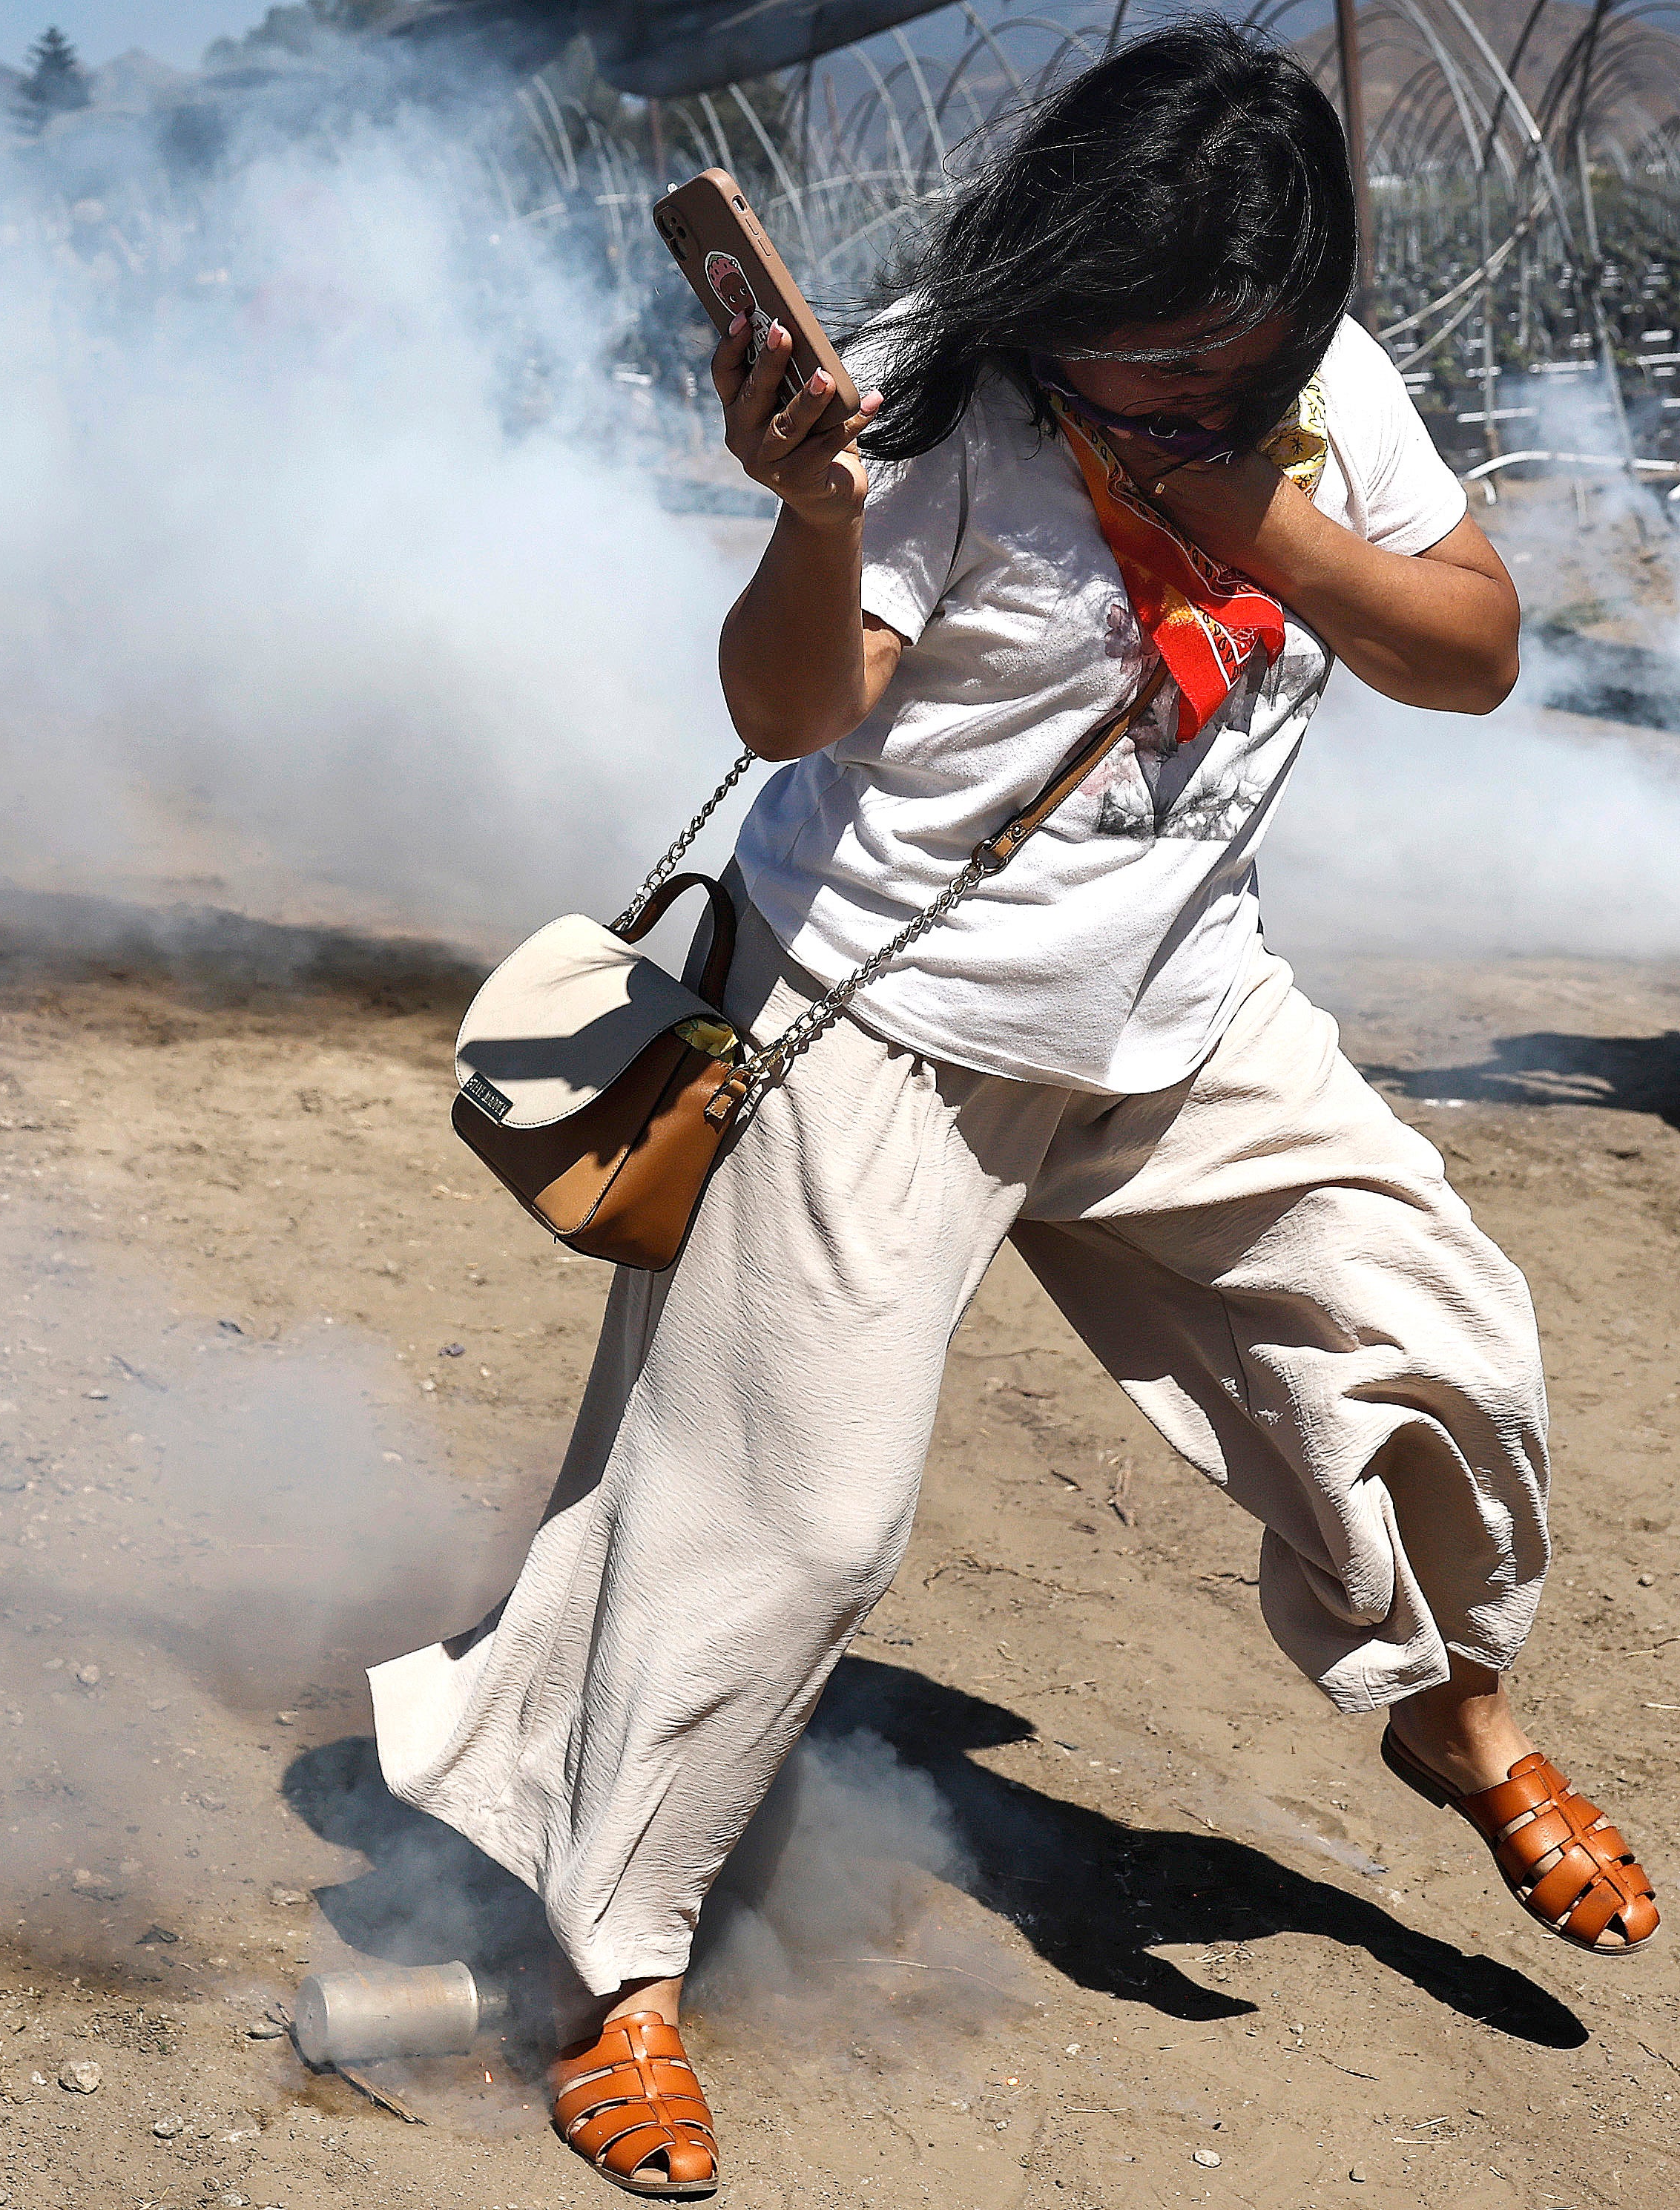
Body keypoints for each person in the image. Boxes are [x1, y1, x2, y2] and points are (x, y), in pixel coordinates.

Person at [369, 25, 1654, 2200]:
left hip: (1179, 1023)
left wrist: (1249, 509)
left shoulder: (1323, 397)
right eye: (1119, 369)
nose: (1141, 406)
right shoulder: (942, 394)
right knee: (788, 1523)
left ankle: (1453, 1718)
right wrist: (807, 510)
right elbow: (786, 711)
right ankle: (625, 1976)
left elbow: (1468, 647)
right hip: (880, 1020)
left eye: (1196, 377)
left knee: (1441, 1341)